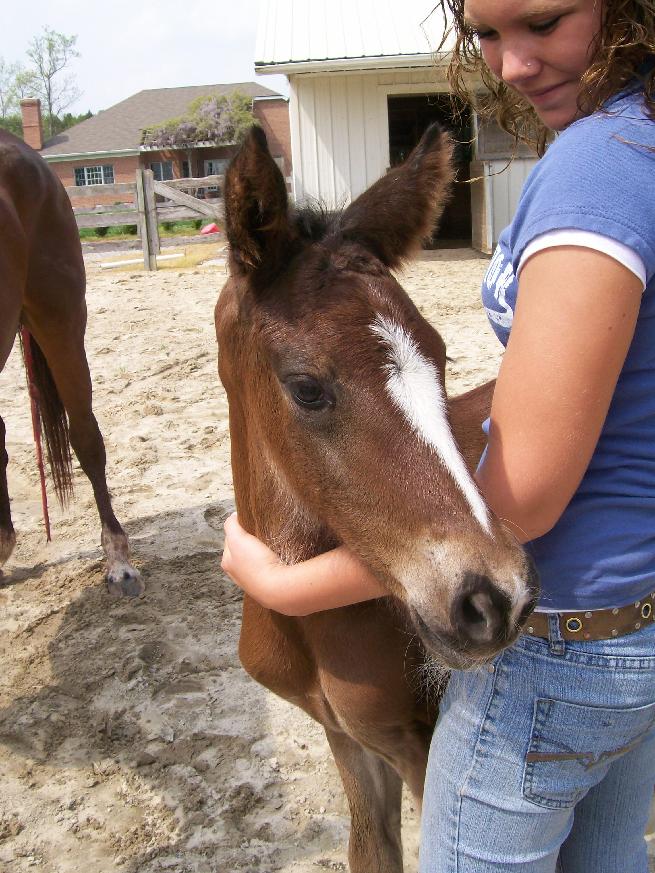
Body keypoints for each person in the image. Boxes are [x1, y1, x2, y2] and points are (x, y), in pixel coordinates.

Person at [222, 0, 655, 869]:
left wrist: (284, 584)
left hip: (556, 643)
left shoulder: (598, 166)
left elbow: (524, 495)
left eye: (544, 20)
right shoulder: (637, 139)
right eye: (488, 35)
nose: (512, 65)